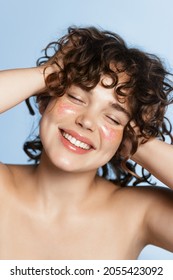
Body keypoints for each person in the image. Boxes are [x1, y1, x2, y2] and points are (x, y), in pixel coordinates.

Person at [0, 26, 173, 260]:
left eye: (112, 118)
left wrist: (137, 141)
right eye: (75, 97)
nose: (87, 121)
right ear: (45, 99)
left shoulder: (138, 214)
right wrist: (47, 73)